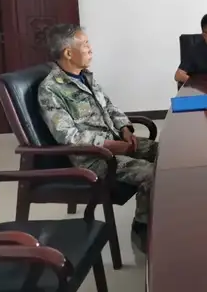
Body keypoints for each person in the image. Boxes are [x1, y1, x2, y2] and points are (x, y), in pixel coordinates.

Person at [37, 24, 157, 251]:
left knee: (168, 153)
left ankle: (167, 212)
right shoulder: (50, 90)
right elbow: (68, 136)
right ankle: (142, 227)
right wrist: (110, 145)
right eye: (85, 44)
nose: (90, 49)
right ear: (68, 52)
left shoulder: (85, 78)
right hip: (94, 158)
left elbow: (110, 107)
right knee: (153, 174)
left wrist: (125, 129)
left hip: (115, 141)